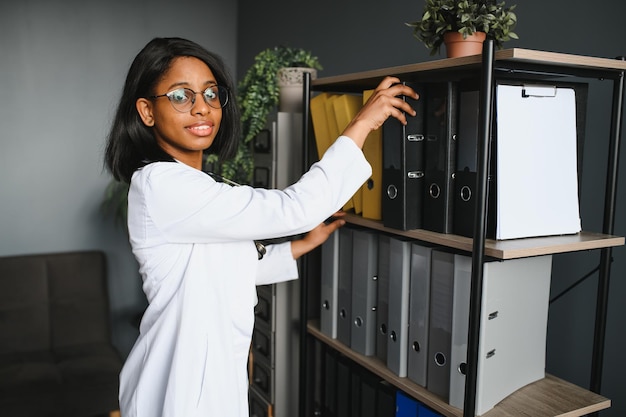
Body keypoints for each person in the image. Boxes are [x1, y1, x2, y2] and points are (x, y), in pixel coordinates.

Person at [104, 37, 418, 417]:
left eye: (210, 93)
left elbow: (221, 265)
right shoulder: (161, 184)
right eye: (181, 96)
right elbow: (292, 208)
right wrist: (363, 122)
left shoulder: (192, 184)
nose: (202, 108)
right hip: (184, 387)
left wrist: (301, 245)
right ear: (147, 111)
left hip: (212, 374)